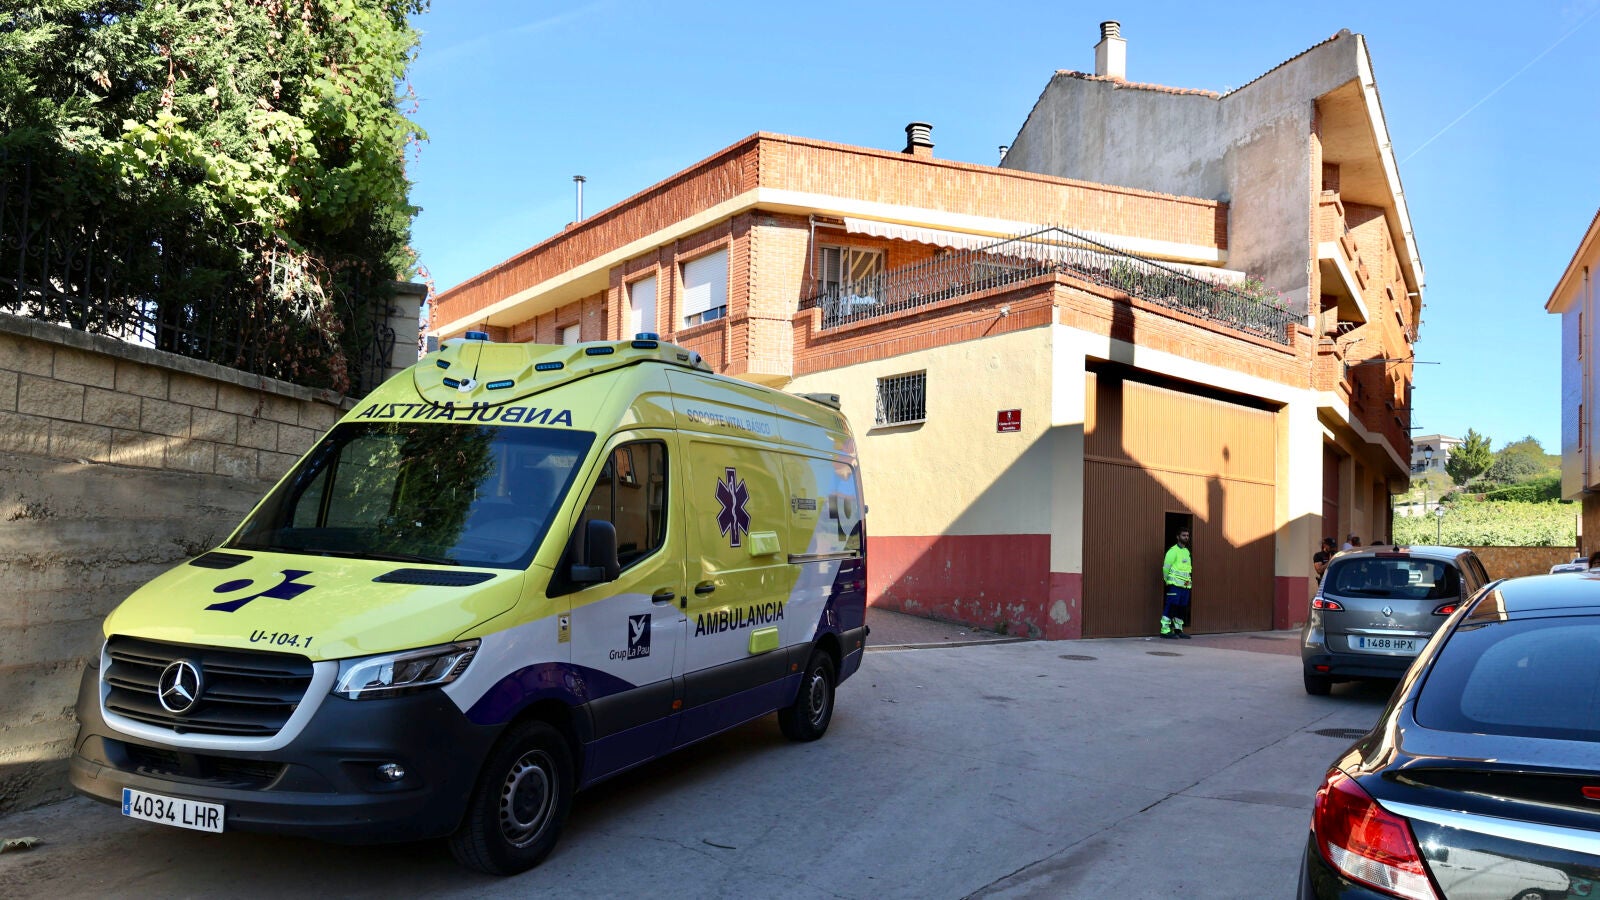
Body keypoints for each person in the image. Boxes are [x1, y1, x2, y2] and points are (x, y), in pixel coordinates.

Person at [1160, 529, 1193, 639]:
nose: (1186, 537)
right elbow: (1166, 567)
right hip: (1174, 586)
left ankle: (1178, 630)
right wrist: (1167, 580)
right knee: (1171, 606)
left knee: (1181, 608)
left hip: (1185, 586)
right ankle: (1165, 630)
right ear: (1178, 537)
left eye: (1187, 535)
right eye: (1183, 535)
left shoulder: (1186, 552)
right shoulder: (1172, 551)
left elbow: (1187, 570)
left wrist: (1187, 584)